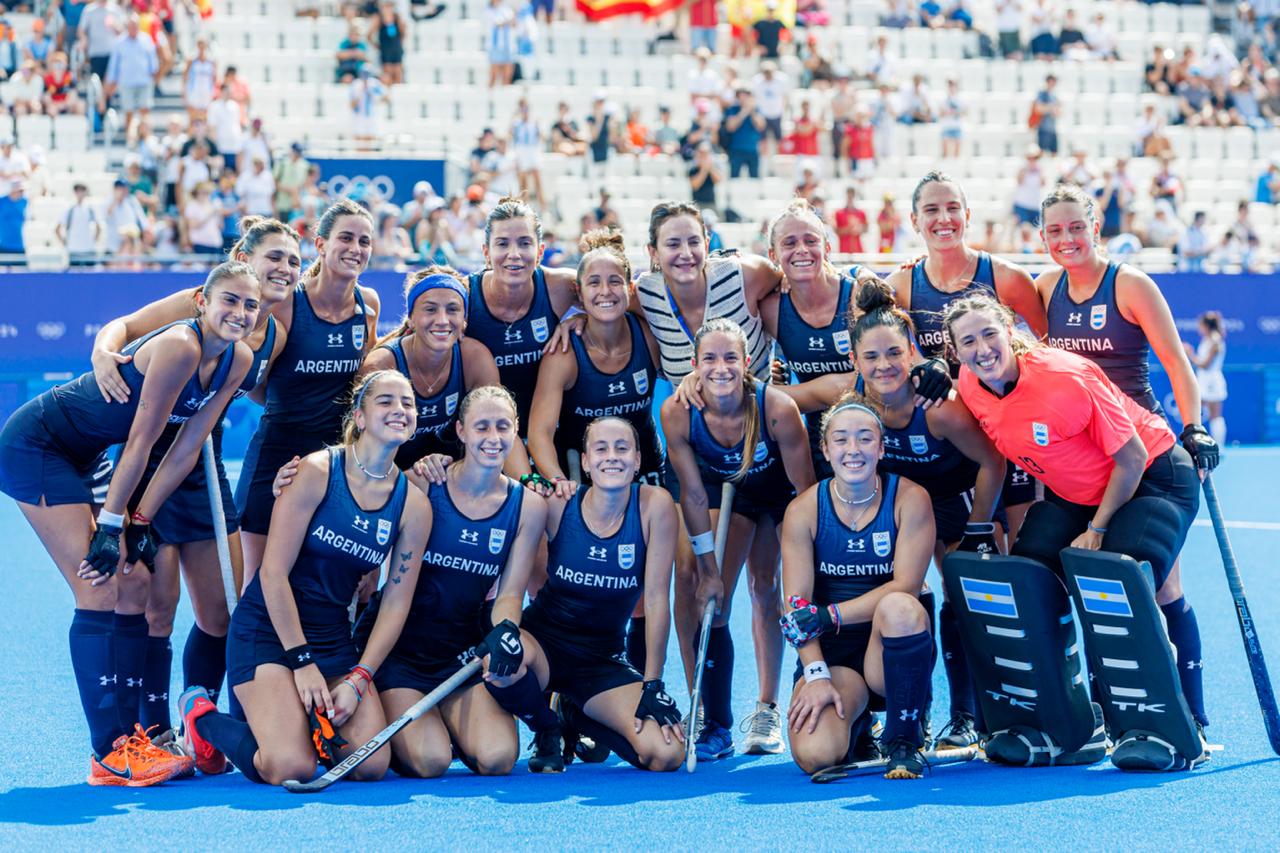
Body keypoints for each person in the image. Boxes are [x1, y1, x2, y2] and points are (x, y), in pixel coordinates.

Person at [0, 261, 259, 786]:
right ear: (202, 302)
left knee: (134, 583)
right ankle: (107, 754)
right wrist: (114, 525)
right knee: (97, 585)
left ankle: (132, 738)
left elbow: (187, 447)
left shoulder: (239, 359)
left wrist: (139, 517)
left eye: (250, 305)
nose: (240, 313)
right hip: (39, 446)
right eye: (229, 300)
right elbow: (141, 443)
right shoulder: (180, 346)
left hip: (84, 456)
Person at [944, 294, 1218, 740]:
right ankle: (1069, 721)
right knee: (1029, 577)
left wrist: (1097, 530)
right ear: (955, 350)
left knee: (1117, 581)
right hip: (1077, 492)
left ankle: (1186, 723)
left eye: (990, 333)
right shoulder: (971, 384)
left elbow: (1130, 458)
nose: (982, 349)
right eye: (968, 341)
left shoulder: (1064, 377)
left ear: (1010, 332)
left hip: (1153, 474)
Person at [177, 371, 432, 785]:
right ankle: (200, 716)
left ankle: (296, 722)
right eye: (385, 401)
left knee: (368, 764)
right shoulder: (316, 471)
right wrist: (301, 662)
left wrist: (360, 676)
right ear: (360, 417)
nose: (399, 410)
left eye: (407, 403)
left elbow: (396, 602)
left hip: (331, 637)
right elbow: (273, 573)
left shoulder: (413, 505)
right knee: (289, 766)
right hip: (269, 632)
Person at [89, 219, 299, 721]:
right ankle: (152, 728)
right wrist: (102, 352)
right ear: (243, 259)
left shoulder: (274, 334)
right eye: (274, 257)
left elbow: (252, 391)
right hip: (145, 460)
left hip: (203, 464)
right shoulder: (199, 302)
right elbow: (126, 325)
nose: (285, 269)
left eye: (293, 261)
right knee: (157, 607)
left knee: (220, 612)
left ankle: (198, 720)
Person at [350, 385, 547, 777]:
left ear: (516, 431)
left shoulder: (528, 506)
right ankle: (426, 725)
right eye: (482, 427)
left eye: (503, 427)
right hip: (402, 654)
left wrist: (504, 634)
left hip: (460, 656)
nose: (493, 439)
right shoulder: (424, 482)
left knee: (498, 758)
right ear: (460, 431)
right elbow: (363, 506)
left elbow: (509, 592)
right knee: (431, 762)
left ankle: (452, 721)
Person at [486, 416, 685, 772]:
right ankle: (546, 725)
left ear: (638, 460)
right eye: (601, 449)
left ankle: (574, 714)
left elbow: (656, 601)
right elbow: (512, 587)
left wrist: (653, 682)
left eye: (622, 449)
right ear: (587, 462)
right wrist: (504, 630)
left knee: (666, 753)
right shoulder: (557, 504)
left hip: (600, 659)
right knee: (499, 666)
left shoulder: (655, 506)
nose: (613, 457)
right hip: (544, 643)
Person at [661, 318, 816, 761]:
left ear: (748, 363)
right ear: (693, 365)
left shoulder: (777, 409)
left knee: (769, 587)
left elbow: (805, 494)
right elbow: (690, 492)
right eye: (709, 358)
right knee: (707, 594)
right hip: (725, 490)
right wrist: (709, 570)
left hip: (779, 494)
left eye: (730, 357)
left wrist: (806, 559)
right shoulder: (677, 412)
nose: (721, 367)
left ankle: (768, 708)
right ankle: (714, 721)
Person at [884, 171, 1045, 543]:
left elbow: (1048, 354)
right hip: (953, 446)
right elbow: (888, 361)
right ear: (914, 221)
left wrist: (968, 383)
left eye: (953, 208)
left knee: (1026, 552)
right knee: (966, 561)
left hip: (1010, 431)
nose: (944, 219)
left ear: (968, 216)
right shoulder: (901, 287)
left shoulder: (1007, 277)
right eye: (931, 210)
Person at [780, 398, 935, 778]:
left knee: (900, 606)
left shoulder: (910, 500)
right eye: (842, 440)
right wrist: (815, 676)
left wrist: (830, 614)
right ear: (826, 450)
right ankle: (858, 724)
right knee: (817, 755)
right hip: (835, 654)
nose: (854, 450)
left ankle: (904, 737)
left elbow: (907, 586)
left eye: (865, 439)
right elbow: (797, 610)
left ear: (881, 448)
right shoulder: (803, 511)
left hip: (889, 645)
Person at [234, 200, 381, 586]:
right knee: (258, 585)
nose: (356, 248)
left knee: (328, 587)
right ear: (320, 244)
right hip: (277, 452)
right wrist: (294, 409)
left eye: (364, 241)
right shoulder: (286, 306)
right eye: (345, 238)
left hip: (339, 464)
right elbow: (254, 383)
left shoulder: (369, 306)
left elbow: (365, 381)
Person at [529, 230, 662, 492]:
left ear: (630, 288)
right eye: (594, 283)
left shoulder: (649, 337)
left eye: (615, 281)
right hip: (579, 474)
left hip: (645, 468)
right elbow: (539, 434)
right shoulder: (564, 352)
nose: (605, 291)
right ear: (578, 292)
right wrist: (559, 482)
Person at [362, 267, 501, 471]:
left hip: (452, 478)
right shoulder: (382, 364)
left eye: (452, 310)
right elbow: (364, 454)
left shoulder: (475, 358)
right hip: (389, 479)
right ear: (411, 318)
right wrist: (413, 479)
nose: (442, 320)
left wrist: (527, 480)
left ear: (464, 321)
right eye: (430, 309)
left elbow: (496, 432)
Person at [465, 197, 577, 441]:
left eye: (524, 243)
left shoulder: (560, 287)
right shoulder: (464, 298)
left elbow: (619, 298)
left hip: (549, 436)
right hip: (487, 438)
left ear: (540, 252)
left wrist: (587, 318)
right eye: (502, 244)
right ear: (486, 252)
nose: (513, 254)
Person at [1185, 311, 1227, 446]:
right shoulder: (1208, 339)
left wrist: (1190, 354)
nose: (1199, 329)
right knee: (1195, 413)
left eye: (1201, 326)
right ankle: (1196, 445)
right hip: (1203, 380)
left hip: (1212, 382)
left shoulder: (1215, 341)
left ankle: (1219, 448)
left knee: (1215, 416)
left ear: (1206, 326)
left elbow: (1205, 364)